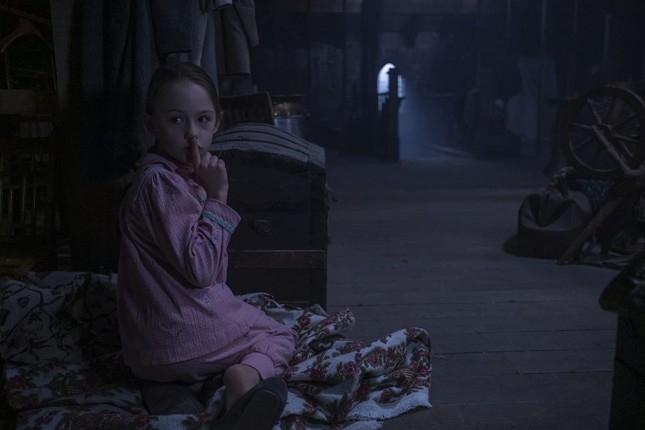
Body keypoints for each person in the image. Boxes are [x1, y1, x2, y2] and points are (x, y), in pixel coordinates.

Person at [117, 61, 297, 429]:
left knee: (184, 372)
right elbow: (201, 270)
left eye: (202, 120)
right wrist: (217, 195)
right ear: (151, 125)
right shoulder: (162, 184)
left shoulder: (163, 177)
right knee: (278, 333)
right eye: (175, 120)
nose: (192, 135)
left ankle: (182, 393)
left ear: (217, 122)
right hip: (183, 335)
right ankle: (243, 377)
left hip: (147, 354)